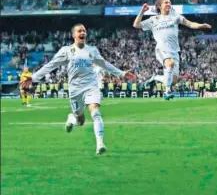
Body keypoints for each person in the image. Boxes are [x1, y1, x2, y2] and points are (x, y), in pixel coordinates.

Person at [21, 24, 136, 155]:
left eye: (84, 31)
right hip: (75, 90)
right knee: (80, 121)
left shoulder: (92, 50)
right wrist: (34, 78)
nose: (82, 33)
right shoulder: (66, 51)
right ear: (73, 35)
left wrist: (121, 73)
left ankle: (100, 144)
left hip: (91, 86)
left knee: (95, 112)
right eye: (79, 31)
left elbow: (104, 64)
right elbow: (51, 65)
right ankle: (72, 118)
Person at [133, 0, 211, 100]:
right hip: (161, 49)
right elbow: (136, 24)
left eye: (169, 3)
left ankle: (155, 77)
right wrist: (142, 11)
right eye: (166, 3)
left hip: (174, 52)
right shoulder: (154, 20)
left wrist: (201, 25)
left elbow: (190, 24)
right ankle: (167, 92)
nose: (168, 4)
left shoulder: (176, 17)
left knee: (173, 80)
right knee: (169, 63)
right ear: (159, 6)